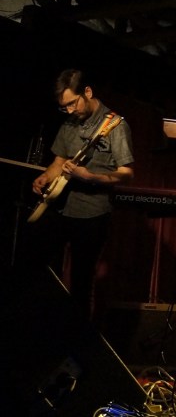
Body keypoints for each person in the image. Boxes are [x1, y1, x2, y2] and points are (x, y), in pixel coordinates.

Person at [21, 69, 134, 322]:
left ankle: (78, 334)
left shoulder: (116, 126)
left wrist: (90, 177)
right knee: (32, 263)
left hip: (93, 214)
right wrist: (45, 177)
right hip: (61, 206)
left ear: (88, 92)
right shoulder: (69, 123)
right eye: (64, 107)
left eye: (72, 103)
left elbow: (127, 174)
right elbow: (58, 161)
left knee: (82, 280)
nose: (70, 110)